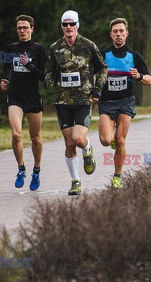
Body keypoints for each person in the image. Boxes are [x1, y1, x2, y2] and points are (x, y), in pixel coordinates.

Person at [45, 10, 108, 195]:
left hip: (83, 98)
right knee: (69, 144)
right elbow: (49, 69)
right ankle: (75, 181)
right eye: (65, 24)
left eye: (72, 24)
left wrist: (98, 89)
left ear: (77, 25)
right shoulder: (55, 47)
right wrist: (48, 78)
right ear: (62, 27)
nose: (68, 28)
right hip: (62, 100)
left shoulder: (88, 45)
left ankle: (87, 150)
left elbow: (103, 68)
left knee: (78, 139)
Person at [98, 18, 151, 189]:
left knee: (120, 140)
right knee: (106, 141)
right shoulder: (103, 54)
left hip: (126, 102)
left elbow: (149, 80)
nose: (118, 35)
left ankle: (117, 176)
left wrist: (140, 76)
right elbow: (91, 73)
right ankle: (111, 137)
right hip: (106, 103)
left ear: (127, 33)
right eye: (115, 32)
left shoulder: (134, 56)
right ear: (111, 34)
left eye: (121, 31)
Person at [0, 15, 47, 191]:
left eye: (25, 27)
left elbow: (44, 76)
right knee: (16, 135)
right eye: (19, 28)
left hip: (33, 98)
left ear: (32, 29)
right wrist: (5, 79)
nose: (22, 30)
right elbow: (6, 67)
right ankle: (21, 169)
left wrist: (29, 65)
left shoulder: (39, 49)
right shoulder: (11, 48)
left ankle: (36, 170)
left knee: (35, 138)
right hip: (15, 97)